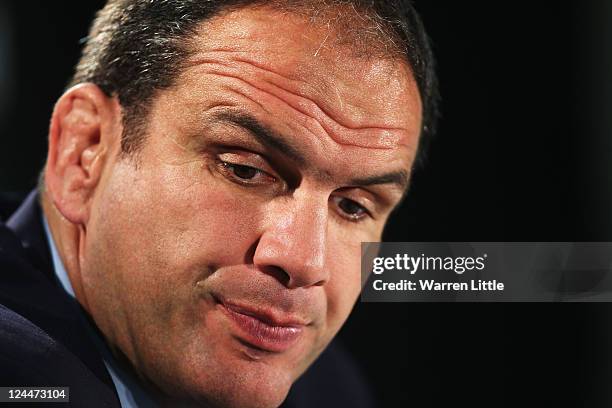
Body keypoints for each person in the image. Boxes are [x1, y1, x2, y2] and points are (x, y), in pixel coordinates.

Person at [0, 0, 437, 406]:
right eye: (244, 169)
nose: (306, 262)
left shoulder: (328, 389)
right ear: (85, 152)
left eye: (353, 206)